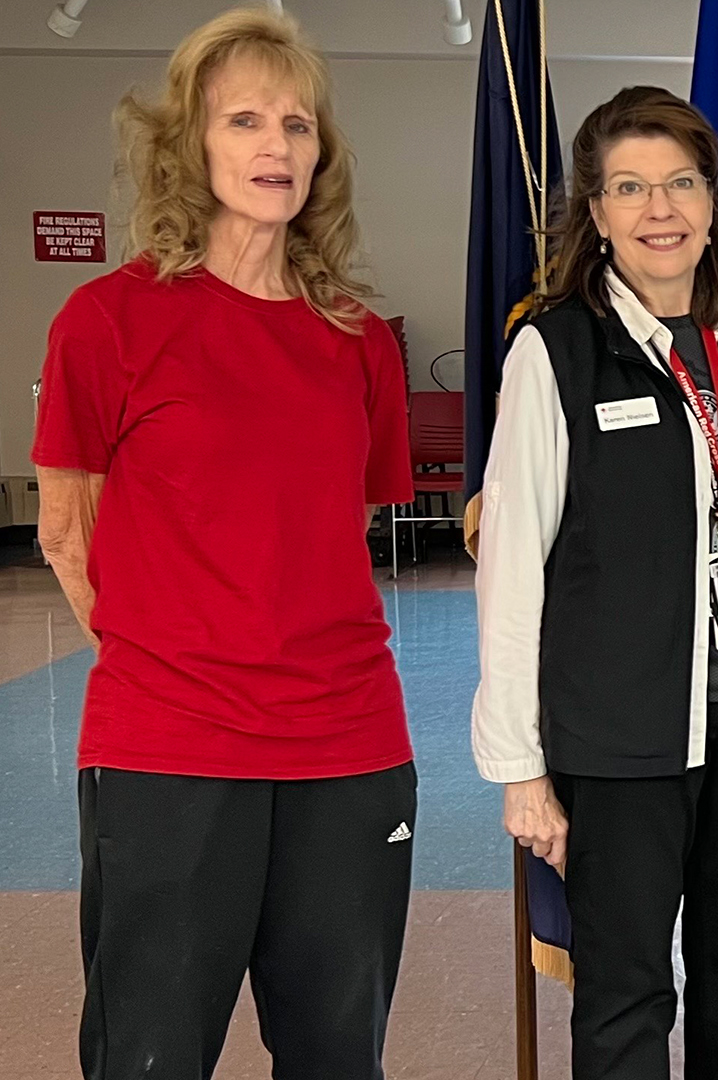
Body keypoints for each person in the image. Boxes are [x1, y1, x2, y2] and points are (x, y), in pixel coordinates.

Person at [31, 10, 415, 1078]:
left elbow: (343, 528)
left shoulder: (355, 341)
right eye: (244, 119)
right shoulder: (105, 322)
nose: (276, 146)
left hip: (350, 746)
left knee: (340, 1056)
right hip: (169, 748)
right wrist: (178, 658)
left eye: (297, 124)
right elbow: (67, 534)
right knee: (148, 1054)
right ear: (188, 148)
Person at [470, 86, 718, 1080]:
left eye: (679, 183)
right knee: (625, 989)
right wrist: (520, 769)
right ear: (598, 212)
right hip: (621, 744)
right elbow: (512, 566)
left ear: (712, 202)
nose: (659, 209)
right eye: (630, 188)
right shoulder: (556, 348)